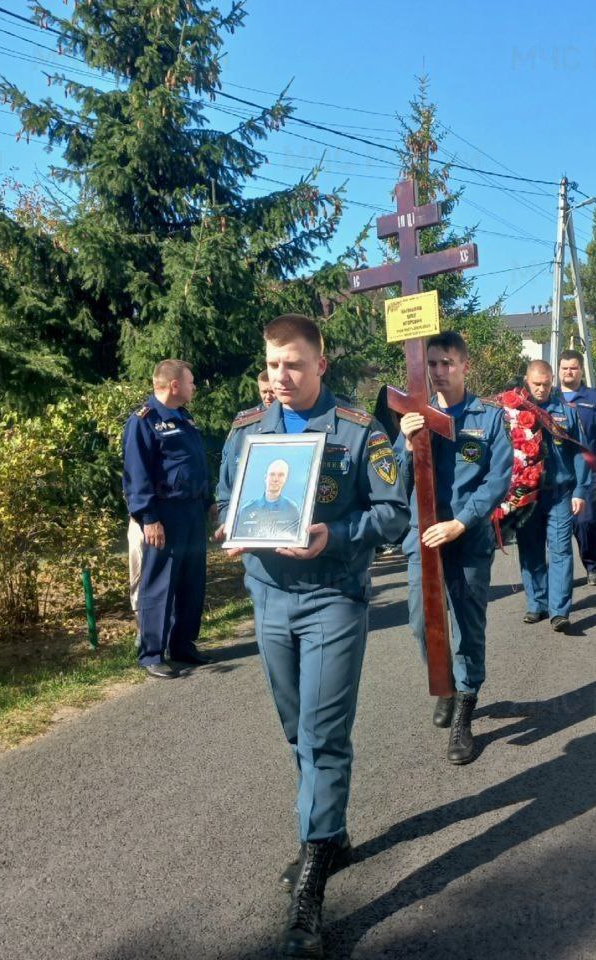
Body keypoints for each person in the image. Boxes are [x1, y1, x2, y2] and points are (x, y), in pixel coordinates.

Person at [216, 314, 407, 959]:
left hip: (332, 597)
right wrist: (231, 525)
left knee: (324, 737)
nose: (282, 377)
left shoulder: (357, 431)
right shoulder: (247, 432)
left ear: (321, 364)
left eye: (294, 364)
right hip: (267, 597)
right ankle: (332, 829)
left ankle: (312, 881)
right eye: (272, 365)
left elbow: (393, 512)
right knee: (296, 730)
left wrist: (338, 536)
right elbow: (225, 497)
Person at [394, 331, 512, 764]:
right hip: (422, 538)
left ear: (464, 366)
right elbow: (396, 481)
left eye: (447, 364)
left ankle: (464, 705)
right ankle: (442, 681)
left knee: (466, 624)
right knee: (419, 622)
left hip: (467, 537)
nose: (439, 372)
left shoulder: (489, 418)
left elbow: (498, 480)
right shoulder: (414, 415)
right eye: (433, 365)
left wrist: (460, 523)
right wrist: (406, 444)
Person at [122, 360, 213, 679]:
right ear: (174, 385)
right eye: (190, 382)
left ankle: (183, 645)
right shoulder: (143, 421)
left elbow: (194, 464)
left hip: (192, 510)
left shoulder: (184, 417)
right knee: (159, 582)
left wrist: (209, 501)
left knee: (191, 580)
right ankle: (151, 654)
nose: (194, 387)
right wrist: (149, 518)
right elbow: (136, 473)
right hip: (164, 513)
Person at [516, 360, 590, 633]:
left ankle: (559, 610)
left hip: (560, 493)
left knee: (560, 551)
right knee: (530, 550)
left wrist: (581, 491)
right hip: (528, 496)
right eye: (536, 384)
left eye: (547, 384)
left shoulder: (566, 412)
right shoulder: (514, 411)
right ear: (527, 379)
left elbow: (580, 453)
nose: (542, 389)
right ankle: (537, 603)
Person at [558, 350, 596, 585]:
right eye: (564, 368)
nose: (568, 372)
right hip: (558, 471)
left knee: (586, 521)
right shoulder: (551, 398)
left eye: (573, 368)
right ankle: (560, 575)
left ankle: (592, 563)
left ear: (581, 370)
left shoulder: (595, 399)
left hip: (588, 469)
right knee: (561, 525)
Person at [236, 459, 302, 540]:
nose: (275, 479)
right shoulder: (247, 510)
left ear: (285, 479)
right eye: (272, 474)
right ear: (265, 478)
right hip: (252, 552)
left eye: (281, 475)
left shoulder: (292, 509)